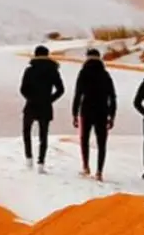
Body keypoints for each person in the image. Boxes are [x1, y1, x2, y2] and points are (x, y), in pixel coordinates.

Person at [71, 48, 117, 181]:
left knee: (84, 139)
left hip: (86, 110)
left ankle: (86, 166)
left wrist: (74, 113)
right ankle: (99, 171)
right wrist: (112, 115)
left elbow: (78, 94)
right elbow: (112, 96)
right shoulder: (105, 74)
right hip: (102, 110)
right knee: (102, 142)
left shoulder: (83, 73)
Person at [19, 45, 65, 173]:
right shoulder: (53, 70)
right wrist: (50, 99)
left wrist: (30, 98)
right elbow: (61, 89)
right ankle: (41, 163)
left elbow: (23, 89)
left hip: (31, 105)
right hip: (45, 106)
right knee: (43, 135)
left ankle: (28, 159)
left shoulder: (30, 70)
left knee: (26, 132)